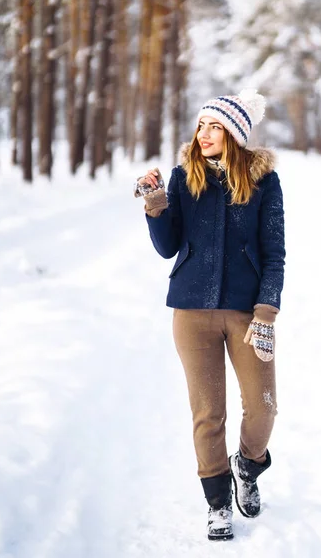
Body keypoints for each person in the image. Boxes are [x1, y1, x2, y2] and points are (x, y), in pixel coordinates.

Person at [134, 89, 285, 541]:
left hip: (247, 314)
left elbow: (274, 251)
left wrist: (267, 309)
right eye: (201, 125)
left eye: (214, 126)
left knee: (263, 408)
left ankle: (249, 464)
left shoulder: (263, 182)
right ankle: (218, 503)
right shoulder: (184, 177)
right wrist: (156, 202)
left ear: (234, 134)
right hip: (192, 312)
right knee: (207, 412)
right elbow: (167, 247)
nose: (204, 133)